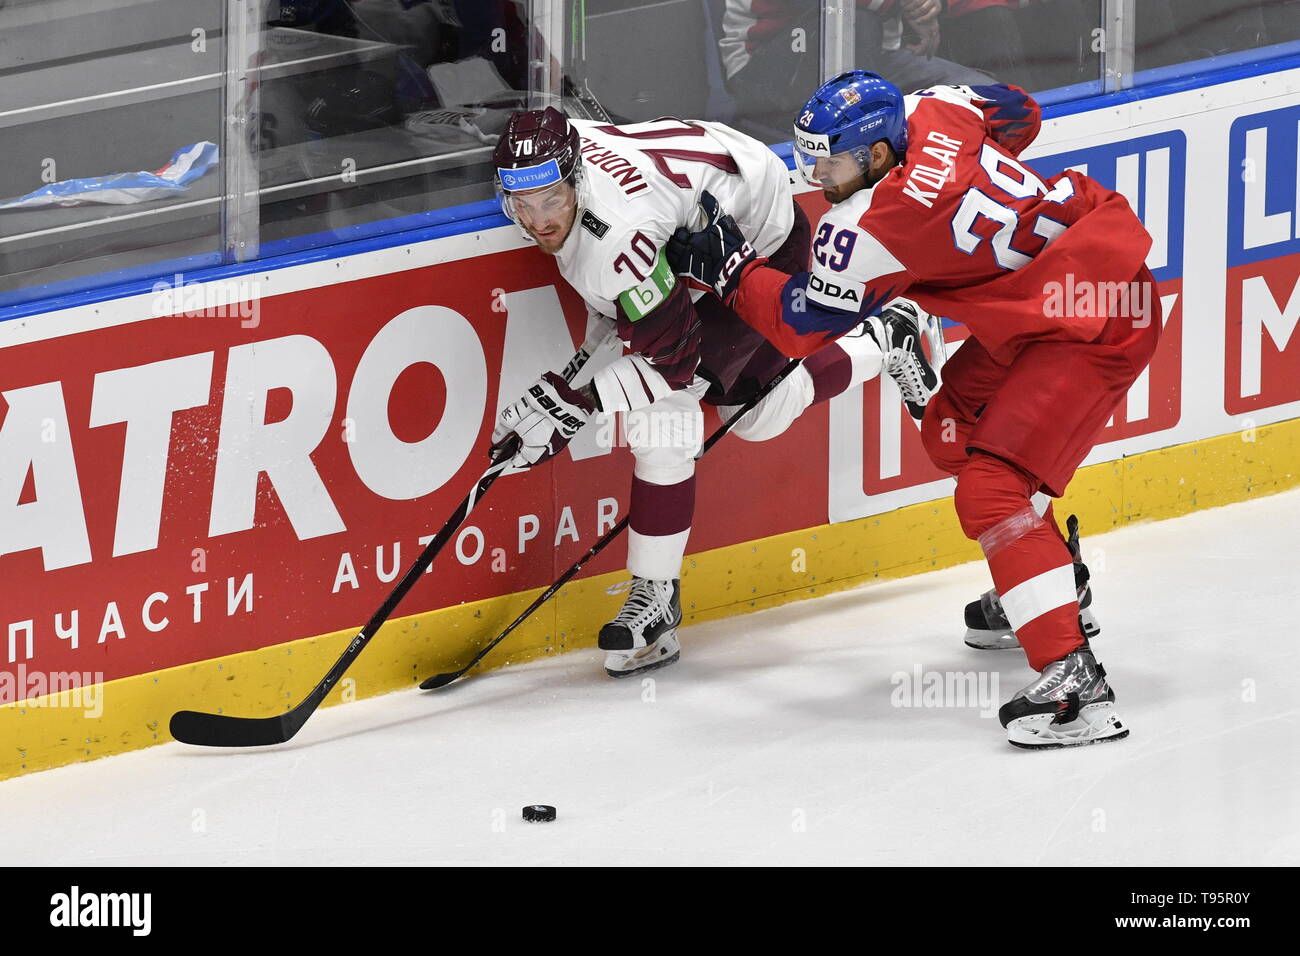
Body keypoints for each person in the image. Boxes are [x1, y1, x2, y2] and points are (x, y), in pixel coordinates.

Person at [667, 72, 1161, 748]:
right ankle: (1049, 585)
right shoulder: (937, 107)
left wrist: (730, 271)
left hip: (1089, 318)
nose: (815, 176)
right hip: (1067, 290)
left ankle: (1075, 682)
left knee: (990, 491)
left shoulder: (869, 224)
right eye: (808, 156)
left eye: (829, 161)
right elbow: (1021, 110)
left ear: (875, 155)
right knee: (951, 432)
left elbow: (799, 323)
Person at [489, 106, 942, 679]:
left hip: (758, 238)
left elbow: (671, 362)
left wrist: (577, 405)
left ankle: (655, 600)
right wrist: (573, 390)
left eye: (551, 201)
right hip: (703, 209)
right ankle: (886, 336)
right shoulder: (574, 161)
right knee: (750, 413)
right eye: (522, 207)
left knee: (676, 413)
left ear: (576, 179)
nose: (537, 221)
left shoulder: (615, 237)